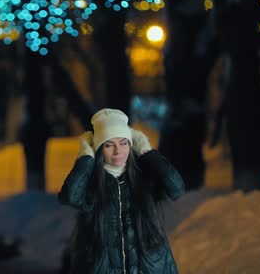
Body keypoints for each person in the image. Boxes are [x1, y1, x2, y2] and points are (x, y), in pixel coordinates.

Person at [58, 108, 185, 274]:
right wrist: (85, 157)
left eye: (124, 143)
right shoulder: (92, 182)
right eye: (109, 145)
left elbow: (176, 188)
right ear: (98, 148)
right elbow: (70, 196)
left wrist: (147, 152)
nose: (118, 152)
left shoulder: (143, 175)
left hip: (149, 267)